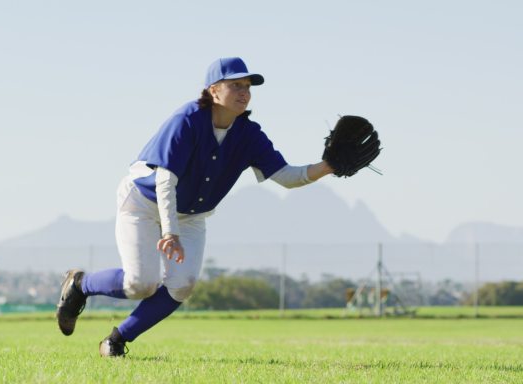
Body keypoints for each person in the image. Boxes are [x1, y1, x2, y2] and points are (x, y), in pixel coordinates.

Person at [56, 57, 335, 357]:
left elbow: (289, 177)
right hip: (144, 202)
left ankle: (116, 340)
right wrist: (170, 232)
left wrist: (330, 165)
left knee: (183, 284)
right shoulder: (187, 120)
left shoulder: (249, 135)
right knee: (141, 283)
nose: (244, 92)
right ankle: (80, 284)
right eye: (235, 85)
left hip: (191, 215)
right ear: (213, 91)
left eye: (248, 86)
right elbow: (165, 182)